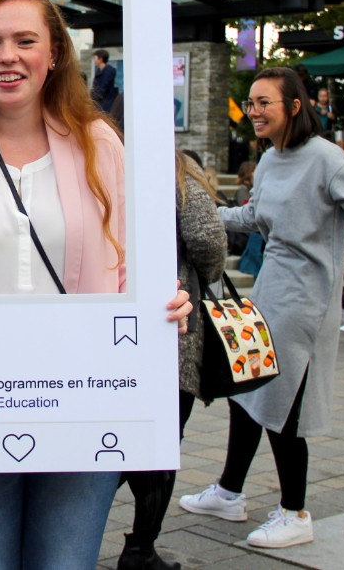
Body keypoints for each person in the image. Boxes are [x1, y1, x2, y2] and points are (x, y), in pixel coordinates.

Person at [0, 0, 193, 569]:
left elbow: (130, 265)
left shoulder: (98, 142)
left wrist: (164, 304)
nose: (8, 56)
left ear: (53, 53)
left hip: (82, 403)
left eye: (25, 40)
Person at [180, 66, 344, 549]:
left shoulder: (327, 158)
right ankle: (229, 492)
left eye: (264, 103)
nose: (254, 112)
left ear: (294, 107)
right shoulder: (272, 159)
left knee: (285, 406)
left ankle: (294, 512)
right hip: (271, 292)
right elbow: (255, 215)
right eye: (252, 103)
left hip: (307, 300)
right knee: (247, 393)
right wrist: (195, 211)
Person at [117, 151, 226, 570]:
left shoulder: (100, 163)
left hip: (110, 331)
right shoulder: (177, 176)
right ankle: (141, 550)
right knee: (161, 446)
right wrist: (205, 274)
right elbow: (208, 239)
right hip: (172, 327)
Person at [91, 48, 118, 113]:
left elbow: (102, 89)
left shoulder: (108, 72)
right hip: (100, 103)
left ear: (100, 59)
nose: (94, 60)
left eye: (95, 58)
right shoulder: (99, 71)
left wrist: (92, 97)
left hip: (106, 104)